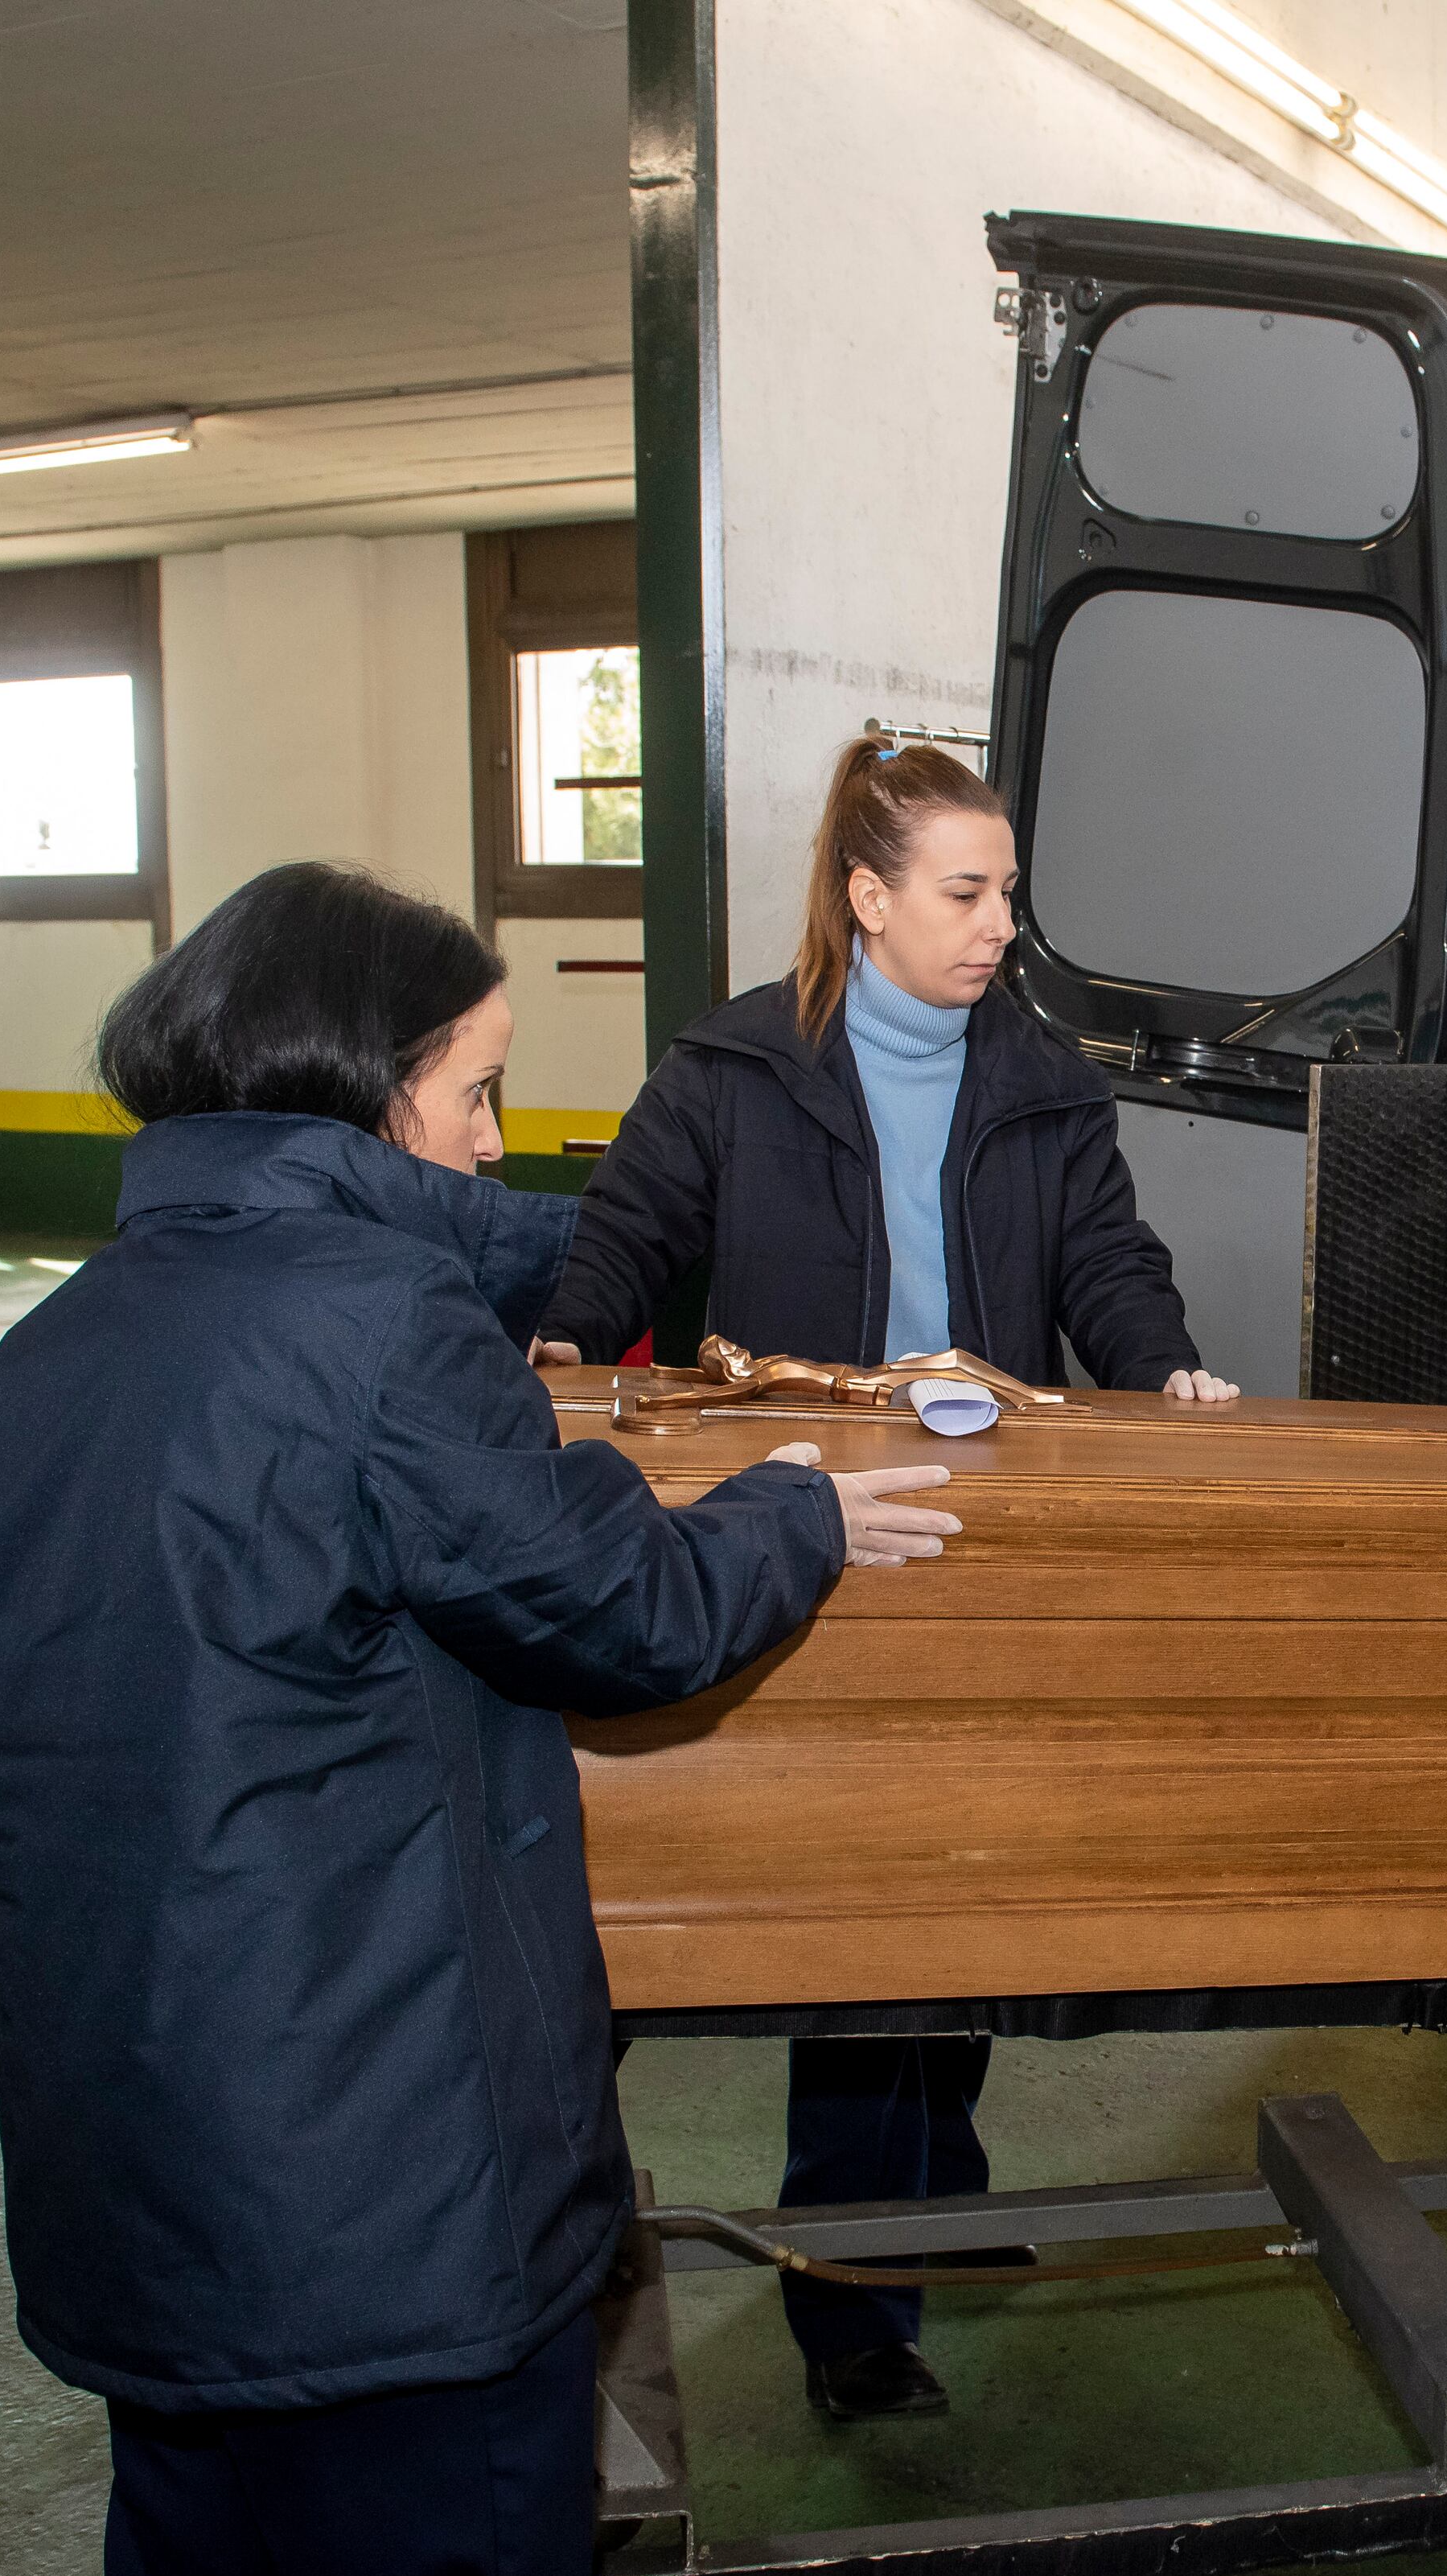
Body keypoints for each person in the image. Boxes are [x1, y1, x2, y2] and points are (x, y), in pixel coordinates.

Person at [0, 862, 960, 2576]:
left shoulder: (67, 1338)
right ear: (366, 1089)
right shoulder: (386, 1328)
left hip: (140, 2154)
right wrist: (791, 1505)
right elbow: (619, 1609)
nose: (492, 1146)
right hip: (380, 2188)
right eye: (475, 1092)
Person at [534, 735, 1235, 2424]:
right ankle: (846, 2310)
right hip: (800, 1518)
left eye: (1007, 892)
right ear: (868, 895)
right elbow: (628, 1227)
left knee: (956, 1882)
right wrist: (558, 1331)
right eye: (966, 892)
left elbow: (1107, 1267)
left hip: (978, 1524)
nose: (1000, 924)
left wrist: (1171, 1373)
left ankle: (916, 2210)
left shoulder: (1043, 1078)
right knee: (837, 1916)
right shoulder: (732, 1065)